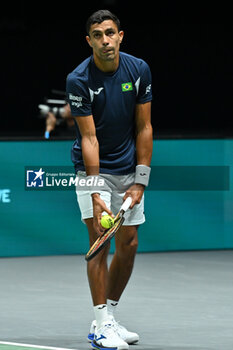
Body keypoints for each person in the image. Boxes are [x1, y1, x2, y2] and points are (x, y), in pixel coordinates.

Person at [66, 9, 153, 350]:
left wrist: (140, 180)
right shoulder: (78, 80)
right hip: (93, 169)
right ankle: (101, 325)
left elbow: (144, 127)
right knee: (100, 243)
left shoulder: (139, 69)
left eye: (110, 33)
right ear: (89, 41)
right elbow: (89, 139)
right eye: (98, 35)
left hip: (129, 169)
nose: (105, 40)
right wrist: (94, 191)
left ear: (120, 36)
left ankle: (110, 315)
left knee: (129, 244)